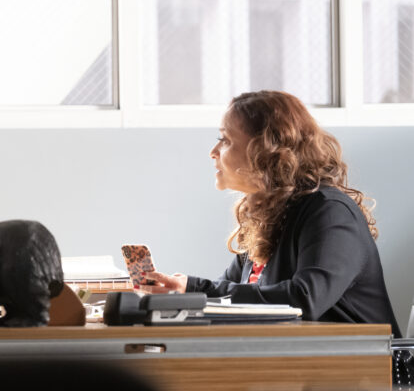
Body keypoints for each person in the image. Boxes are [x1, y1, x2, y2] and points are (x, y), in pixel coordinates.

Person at [144, 90, 401, 336]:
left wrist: (196, 289)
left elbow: (305, 299)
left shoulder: (329, 211)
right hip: (302, 364)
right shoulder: (267, 214)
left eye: (225, 140)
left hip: (365, 371)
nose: (214, 152)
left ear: (266, 151)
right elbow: (232, 298)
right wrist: (182, 295)